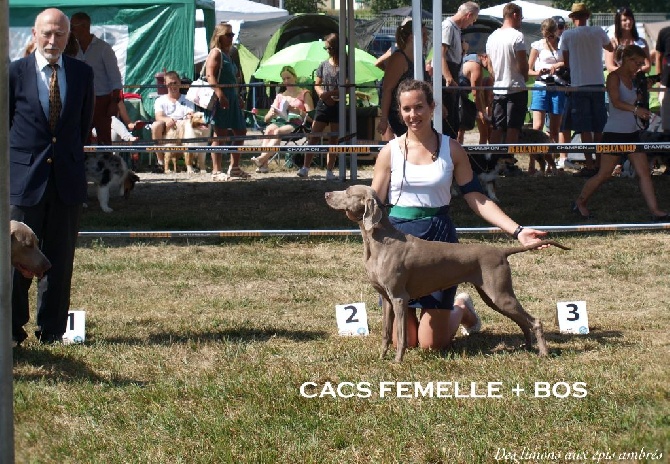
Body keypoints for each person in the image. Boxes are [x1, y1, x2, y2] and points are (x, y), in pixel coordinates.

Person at [371, 79, 549, 351]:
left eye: (419, 107)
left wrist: (517, 230)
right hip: (399, 242)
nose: (413, 115)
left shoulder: (452, 149)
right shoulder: (389, 152)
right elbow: (373, 203)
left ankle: (462, 308)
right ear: (399, 111)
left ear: (432, 107)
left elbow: (476, 197)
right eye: (406, 109)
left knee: (432, 345)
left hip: (439, 241)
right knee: (404, 341)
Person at [9, 8, 95, 345]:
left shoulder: (82, 73)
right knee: (15, 262)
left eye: (60, 34)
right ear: (34, 34)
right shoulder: (13, 74)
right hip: (22, 182)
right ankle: (12, 330)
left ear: (67, 37)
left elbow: (82, 125)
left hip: (67, 181)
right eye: (46, 33)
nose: (52, 40)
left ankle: (53, 330)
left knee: (60, 259)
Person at [572, 46, 667, 222]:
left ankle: (655, 210)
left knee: (644, 173)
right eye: (637, 63)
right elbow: (616, 102)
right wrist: (637, 109)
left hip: (633, 133)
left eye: (641, 64)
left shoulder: (635, 79)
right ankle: (580, 202)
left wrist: (644, 93)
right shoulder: (614, 77)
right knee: (604, 174)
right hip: (614, 133)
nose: (639, 67)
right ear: (627, 59)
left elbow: (637, 96)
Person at [559, 3, 615, 176]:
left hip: (579, 85)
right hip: (597, 83)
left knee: (584, 127)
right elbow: (611, 47)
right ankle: (598, 163)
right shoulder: (598, 31)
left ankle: (589, 164)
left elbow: (565, 61)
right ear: (587, 17)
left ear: (573, 18)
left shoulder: (567, 35)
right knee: (599, 126)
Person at [70, 12, 123, 146]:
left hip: (101, 101)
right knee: (81, 141)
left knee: (104, 141)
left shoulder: (104, 49)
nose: (70, 30)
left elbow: (115, 79)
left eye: (73, 27)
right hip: (80, 101)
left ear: (84, 26)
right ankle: (83, 167)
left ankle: (106, 167)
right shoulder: (71, 49)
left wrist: (114, 102)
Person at [250, 66, 314, 173]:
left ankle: (262, 159)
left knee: (278, 131)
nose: (286, 81)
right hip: (280, 120)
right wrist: (272, 114)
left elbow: (312, 117)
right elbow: (266, 119)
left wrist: (297, 110)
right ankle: (264, 165)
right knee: (269, 129)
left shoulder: (304, 93)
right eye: (284, 79)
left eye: (288, 78)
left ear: (295, 77)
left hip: (296, 124)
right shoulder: (280, 96)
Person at [207, 22, 249, 180]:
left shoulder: (229, 54)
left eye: (232, 35)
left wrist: (237, 96)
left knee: (241, 131)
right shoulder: (215, 53)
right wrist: (220, 94)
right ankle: (216, 170)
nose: (232, 38)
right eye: (228, 34)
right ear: (219, 36)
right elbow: (209, 75)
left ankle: (234, 167)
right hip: (222, 98)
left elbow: (232, 79)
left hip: (232, 97)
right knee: (220, 134)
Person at [485, 2, 528, 148]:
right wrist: (525, 76)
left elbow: (490, 66)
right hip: (516, 88)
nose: (521, 21)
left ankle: (494, 160)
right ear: (515, 15)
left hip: (498, 88)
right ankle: (509, 161)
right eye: (521, 17)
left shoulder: (492, 37)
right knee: (513, 127)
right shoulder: (517, 36)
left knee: (497, 126)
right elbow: (523, 65)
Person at [299, 33, 341, 180]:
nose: (328, 50)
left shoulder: (345, 65)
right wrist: (323, 94)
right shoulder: (323, 65)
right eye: (326, 48)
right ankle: (305, 167)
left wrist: (331, 94)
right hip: (323, 104)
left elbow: (347, 86)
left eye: (329, 48)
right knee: (314, 135)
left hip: (338, 104)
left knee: (334, 139)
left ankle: (329, 170)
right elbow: (317, 84)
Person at [376, 19, 427, 140]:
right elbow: (387, 89)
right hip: (399, 114)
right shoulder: (399, 58)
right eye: (424, 35)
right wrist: (384, 119)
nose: (427, 39)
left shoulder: (420, 57)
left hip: (415, 112)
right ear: (412, 37)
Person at [527, 18, 566, 175]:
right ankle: (532, 163)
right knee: (536, 128)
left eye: (551, 36)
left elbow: (568, 62)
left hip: (558, 86)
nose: (549, 39)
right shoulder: (537, 46)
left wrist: (556, 66)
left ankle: (552, 163)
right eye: (546, 36)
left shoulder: (563, 45)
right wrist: (539, 72)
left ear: (556, 32)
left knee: (554, 129)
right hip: (541, 86)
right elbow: (528, 70)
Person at [441, 1, 480, 139]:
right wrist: (448, 77)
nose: (472, 24)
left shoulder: (456, 29)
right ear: (468, 15)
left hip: (454, 73)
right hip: (447, 78)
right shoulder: (448, 27)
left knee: (454, 119)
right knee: (447, 120)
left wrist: (463, 50)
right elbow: (440, 54)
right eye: (473, 20)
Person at [151, 71, 195, 171]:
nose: (173, 86)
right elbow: (158, 116)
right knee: (156, 125)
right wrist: (167, 120)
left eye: (175, 83)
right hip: (167, 129)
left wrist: (180, 122)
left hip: (183, 129)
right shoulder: (160, 100)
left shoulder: (188, 99)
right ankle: (160, 162)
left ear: (180, 82)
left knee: (190, 125)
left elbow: (191, 115)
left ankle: (189, 164)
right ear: (165, 84)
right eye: (170, 84)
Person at [457, 52, 492, 144]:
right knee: (459, 131)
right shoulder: (476, 66)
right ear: (484, 57)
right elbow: (476, 93)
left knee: (459, 130)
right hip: (459, 97)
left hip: (459, 96)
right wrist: (481, 112)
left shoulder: (467, 58)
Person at [604, 7, 651, 73]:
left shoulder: (641, 42)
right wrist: (627, 72)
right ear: (618, 22)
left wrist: (637, 70)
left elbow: (648, 66)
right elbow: (610, 67)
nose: (628, 22)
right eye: (624, 20)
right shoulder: (613, 43)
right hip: (619, 81)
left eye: (630, 19)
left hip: (638, 81)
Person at [656, 24, 670, 132]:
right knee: (666, 124)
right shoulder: (664, 32)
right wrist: (658, 80)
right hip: (666, 83)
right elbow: (658, 57)